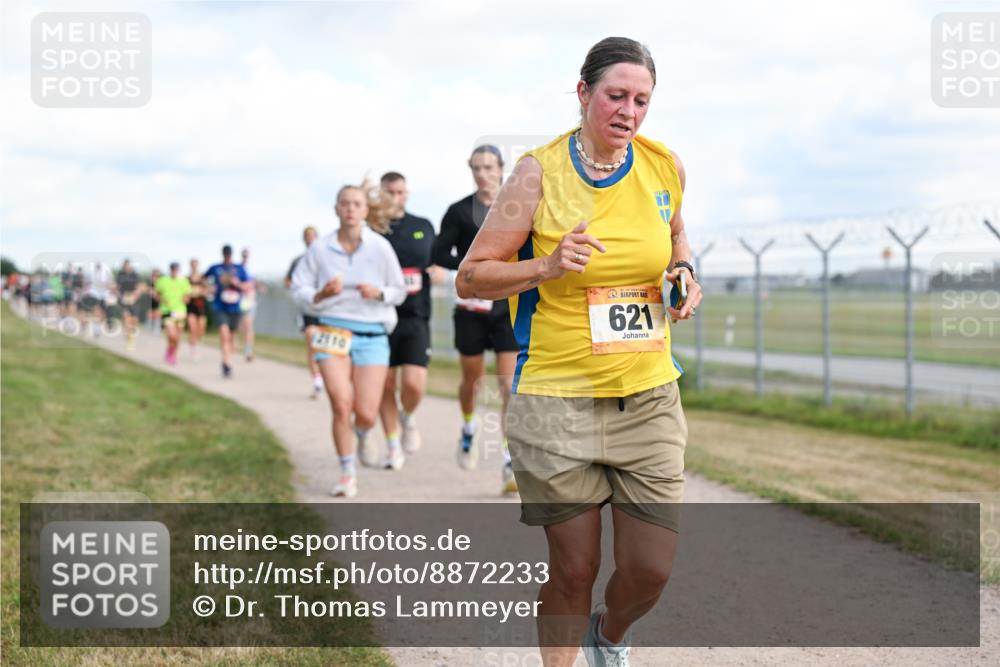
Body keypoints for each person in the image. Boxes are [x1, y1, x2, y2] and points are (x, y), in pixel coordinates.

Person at [455, 37, 703, 667]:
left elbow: (675, 239)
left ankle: (610, 635)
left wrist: (682, 276)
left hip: (647, 395)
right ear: (583, 92)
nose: (628, 111)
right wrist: (547, 263)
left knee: (650, 570)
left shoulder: (664, 166)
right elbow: (472, 276)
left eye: (641, 100)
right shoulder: (536, 173)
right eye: (616, 96)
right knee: (574, 567)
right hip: (556, 401)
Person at [292, 180, 406, 497]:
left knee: (366, 412)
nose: (351, 209)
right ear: (336, 209)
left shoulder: (380, 247)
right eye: (345, 203)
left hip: (372, 333)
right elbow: (298, 288)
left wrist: (379, 292)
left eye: (356, 204)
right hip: (332, 331)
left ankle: (364, 431)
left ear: (366, 210)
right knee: (341, 404)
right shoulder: (320, 249)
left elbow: (398, 291)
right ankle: (346, 473)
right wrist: (320, 293)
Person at [432, 144, 520, 493]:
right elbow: (439, 253)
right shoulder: (458, 211)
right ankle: (468, 428)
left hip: (506, 309)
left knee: (508, 387)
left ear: (501, 168)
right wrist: (473, 272)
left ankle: (509, 463)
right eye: (476, 168)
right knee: (473, 381)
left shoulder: (517, 208)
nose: (483, 174)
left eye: (489, 167)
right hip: (471, 308)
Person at [377, 172, 444, 464]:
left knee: (414, 384)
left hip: (416, 316)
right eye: (390, 192)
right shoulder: (372, 230)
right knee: (385, 384)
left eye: (400, 192)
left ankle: (408, 416)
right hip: (380, 317)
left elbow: (439, 260)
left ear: (407, 193)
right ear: (381, 194)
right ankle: (393, 446)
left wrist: (440, 270)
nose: (395, 197)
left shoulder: (423, 226)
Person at [285, 226, 325, 398]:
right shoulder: (298, 261)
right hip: (307, 308)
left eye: (313, 236)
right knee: (311, 340)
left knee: (325, 344)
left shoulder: (327, 259)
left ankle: (327, 377)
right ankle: (317, 379)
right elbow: (288, 281)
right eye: (307, 237)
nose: (310, 240)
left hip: (327, 308)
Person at [204, 245, 249, 378]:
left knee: (231, 338)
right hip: (220, 307)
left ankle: (228, 361)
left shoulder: (239, 269)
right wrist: (210, 287)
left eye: (229, 254)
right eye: (225, 254)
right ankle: (227, 363)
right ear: (222, 254)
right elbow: (203, 279)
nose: (227, 256)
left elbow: (248, 285)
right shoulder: (215, 268)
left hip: (235, 308)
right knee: (224, 335)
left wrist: (237, 283)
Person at [154, 262, 192, 366]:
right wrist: (161, 300)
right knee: (172, 335)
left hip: (180, 311)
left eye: (176, 269)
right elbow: (156, 293)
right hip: (167, 311)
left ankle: (173, 354)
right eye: (173, 269)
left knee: (178, 337)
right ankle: (170, 351)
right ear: (170, 270)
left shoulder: (184, 281)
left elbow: (188, 295)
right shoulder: (163, 280)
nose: (174, 271)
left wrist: (186, 299)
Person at [116, 259, 144, 351]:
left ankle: (130, 335)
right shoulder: (120, 274)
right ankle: (129, 339)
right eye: (124, 266)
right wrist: (119, 295)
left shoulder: (135, 275)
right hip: (124, 300)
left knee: (134, 321)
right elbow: (117, 287)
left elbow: (140, 287)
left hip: (134, 300)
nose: (126, 268)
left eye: (127, 266)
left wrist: (136, 294)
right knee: (126, 317)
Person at [187, 258, 209, 358]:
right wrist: (189, 294)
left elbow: (207, 290)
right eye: (193, 264)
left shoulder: (203, 278)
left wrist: (201, 292)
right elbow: (184, 292)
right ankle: (194, 349)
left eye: (196, 264)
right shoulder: (187, 278)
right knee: (193, 328)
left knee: (201, 329)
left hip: (201, 306)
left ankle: (196, 341)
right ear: (190, 266)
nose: (194, 266)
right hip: (191, 306)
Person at [238, 247, 258, 361]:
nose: (245, 257)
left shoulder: (252, 269)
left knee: (249, 325)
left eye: (247, 255)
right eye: (244, 255)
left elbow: (254, 284)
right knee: (239, 326)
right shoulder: (238, 269)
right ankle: (237, 344)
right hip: (238, 300)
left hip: (249, 300)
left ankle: (248, 350)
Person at [148, 268, 162, 333]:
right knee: (151, 314)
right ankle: (150, 327)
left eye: (157, 276)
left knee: (157, 314)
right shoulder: (150, 283)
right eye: (154, 275)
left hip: (159, 302)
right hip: (151, 302)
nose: (155, 277)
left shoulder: (161, 283)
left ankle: (157, 329)